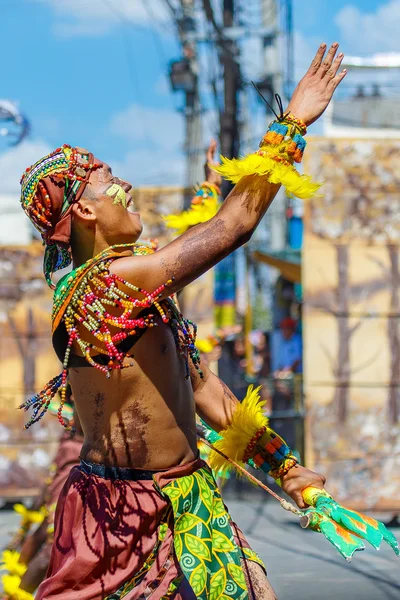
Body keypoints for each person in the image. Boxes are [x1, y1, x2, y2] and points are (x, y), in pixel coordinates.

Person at [18, 43, 347, 599]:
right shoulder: (102, 288)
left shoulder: (134, 287)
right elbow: (230, 229)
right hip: (119, 517)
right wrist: (290, 126)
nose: (126, 188)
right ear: (86, 212)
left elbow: (200, 386)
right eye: (109, 181)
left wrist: (284, 466)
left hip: (189, 505)